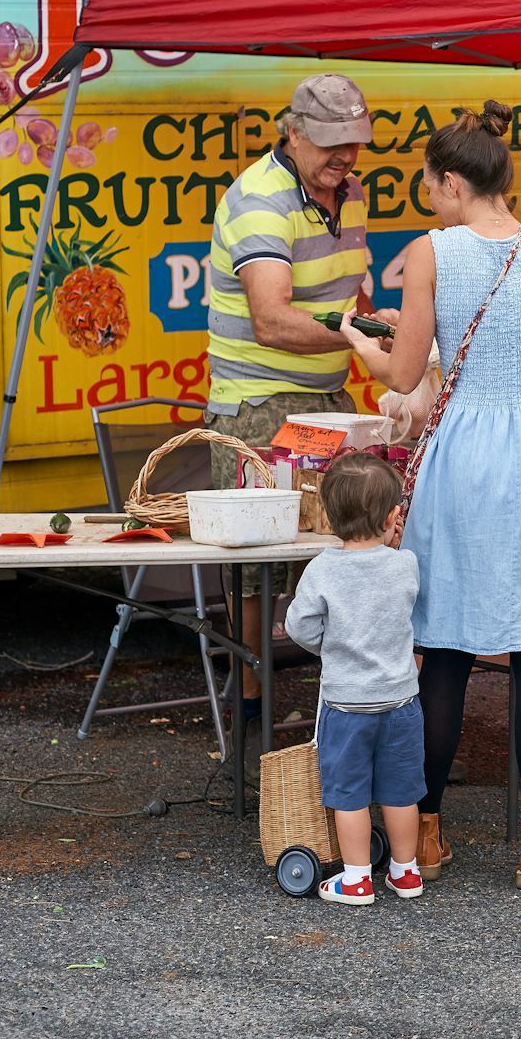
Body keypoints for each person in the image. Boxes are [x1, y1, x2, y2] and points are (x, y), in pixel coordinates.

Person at [341, 101, 521, 891]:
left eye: (430, 184)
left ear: (454, 182)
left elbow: (405, 380)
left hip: (465, 456)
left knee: (446, 650)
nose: (429, 198)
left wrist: (371, 343)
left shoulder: (431, 252)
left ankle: (422, 835)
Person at [206, 72, 394, 750]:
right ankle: (253, 711)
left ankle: (338, 708)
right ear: (293, 133)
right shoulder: (260, 199)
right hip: (256, 404)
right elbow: (271, 320)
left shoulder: (351, 193)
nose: (344, 158)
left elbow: (344, 298)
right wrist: (363, 337)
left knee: (341, 550)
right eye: (330, 146)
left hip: (327, 398)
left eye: (355, 144)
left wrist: (371, 320)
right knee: (257, 569)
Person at [283, 452, 423, 907]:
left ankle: (357, 877)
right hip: (402, 700)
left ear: (327, 515)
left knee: (349, 794)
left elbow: (299, 626)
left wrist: (332, 646)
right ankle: (406, 872)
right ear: (390, 517)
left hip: (346, 704)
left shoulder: (322, 569)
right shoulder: (405, 565)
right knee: (401, 791)